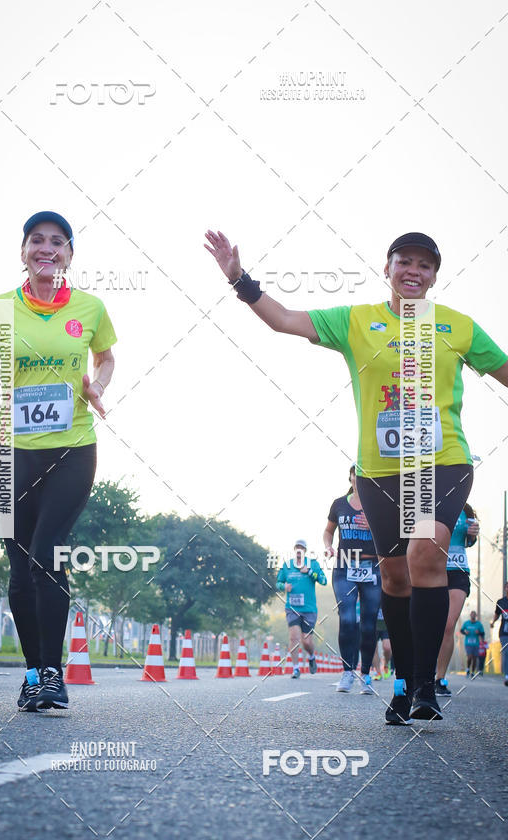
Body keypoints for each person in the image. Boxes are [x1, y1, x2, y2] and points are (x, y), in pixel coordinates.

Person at [204, 228, 508, 724]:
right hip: (379, 472)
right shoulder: (356, 321)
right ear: (386, 267)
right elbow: (283, 320)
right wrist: (240, 279)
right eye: (404, 262)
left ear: (435, 275)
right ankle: (406, 679)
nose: (414, 271)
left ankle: (426, 686)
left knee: (424, 556)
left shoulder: (458, 328)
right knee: (394, 575)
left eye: (424, 265)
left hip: (441, 461)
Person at [0, 211, 117, 711]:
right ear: (24, 251)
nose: (47, 248)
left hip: (72, 448)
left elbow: (107, 357)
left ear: (70, 255)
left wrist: (98, 383)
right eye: (37, 240)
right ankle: (32, 673)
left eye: (58, 242)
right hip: (9, 454)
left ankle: (53, 672)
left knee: (47, 553)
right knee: (18, 566)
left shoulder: (90, 307)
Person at [324, 465, 381, 695]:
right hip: (344, 565)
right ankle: (347, 671)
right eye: (356, 474)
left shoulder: (378, 504)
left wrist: (376, 526)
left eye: (364, 475)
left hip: (372, 567)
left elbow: (394, 533)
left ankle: (365, 674)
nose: (359, 478)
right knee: (347, 619)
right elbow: (328, 531)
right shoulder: (339, 503)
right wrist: (328, 546)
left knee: (368, 624)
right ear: (350, 477)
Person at [435, 504, 479, 696]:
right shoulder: (430, 504)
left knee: (448, 625)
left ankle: (440, 678)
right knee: (432, 625)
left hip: (459, 572)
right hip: (433, 570)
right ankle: (424, 675)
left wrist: (473, 534)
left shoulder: (466, 510)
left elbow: (469, 541)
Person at [276, 539, 327, 677]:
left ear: (304, 551)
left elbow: (324, 580)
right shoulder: (287, 565)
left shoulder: (313, 564)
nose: (299, 550)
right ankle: (296, 668)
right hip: (292, 608)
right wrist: (283, 587)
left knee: (306, 641)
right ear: (294, 550)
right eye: (297, 547)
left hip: (309, 609)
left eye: (302, 548)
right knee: (293, 638)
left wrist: (310, 572)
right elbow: (278, 583)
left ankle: (311, 657)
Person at [490, 581, 508, 685]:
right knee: (506, 653)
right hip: (504, 633)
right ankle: (507, 676)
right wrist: (493, 622)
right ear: (505, 589)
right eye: (507, 587)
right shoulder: (501, 602)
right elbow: (497, 614)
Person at [460, 611, 485, 677]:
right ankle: (468, 669)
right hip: (468, 643)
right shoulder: (466, 623)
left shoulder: (479, 624)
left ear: (476, 616)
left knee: (475, 658)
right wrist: (465, 633)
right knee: (469, 657)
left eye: (474, 615)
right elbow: (461, 630)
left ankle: (473, 672)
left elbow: (482, 633)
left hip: (476, 644)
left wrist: (478, 632)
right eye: (472, 614)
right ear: (470, 615)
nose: (473, 616)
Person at [374, 607, 393, 679]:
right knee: (373, 649)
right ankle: (378, 672)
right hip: (374, 625)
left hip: (386, 625)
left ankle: (386, 664)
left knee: (387, 648)